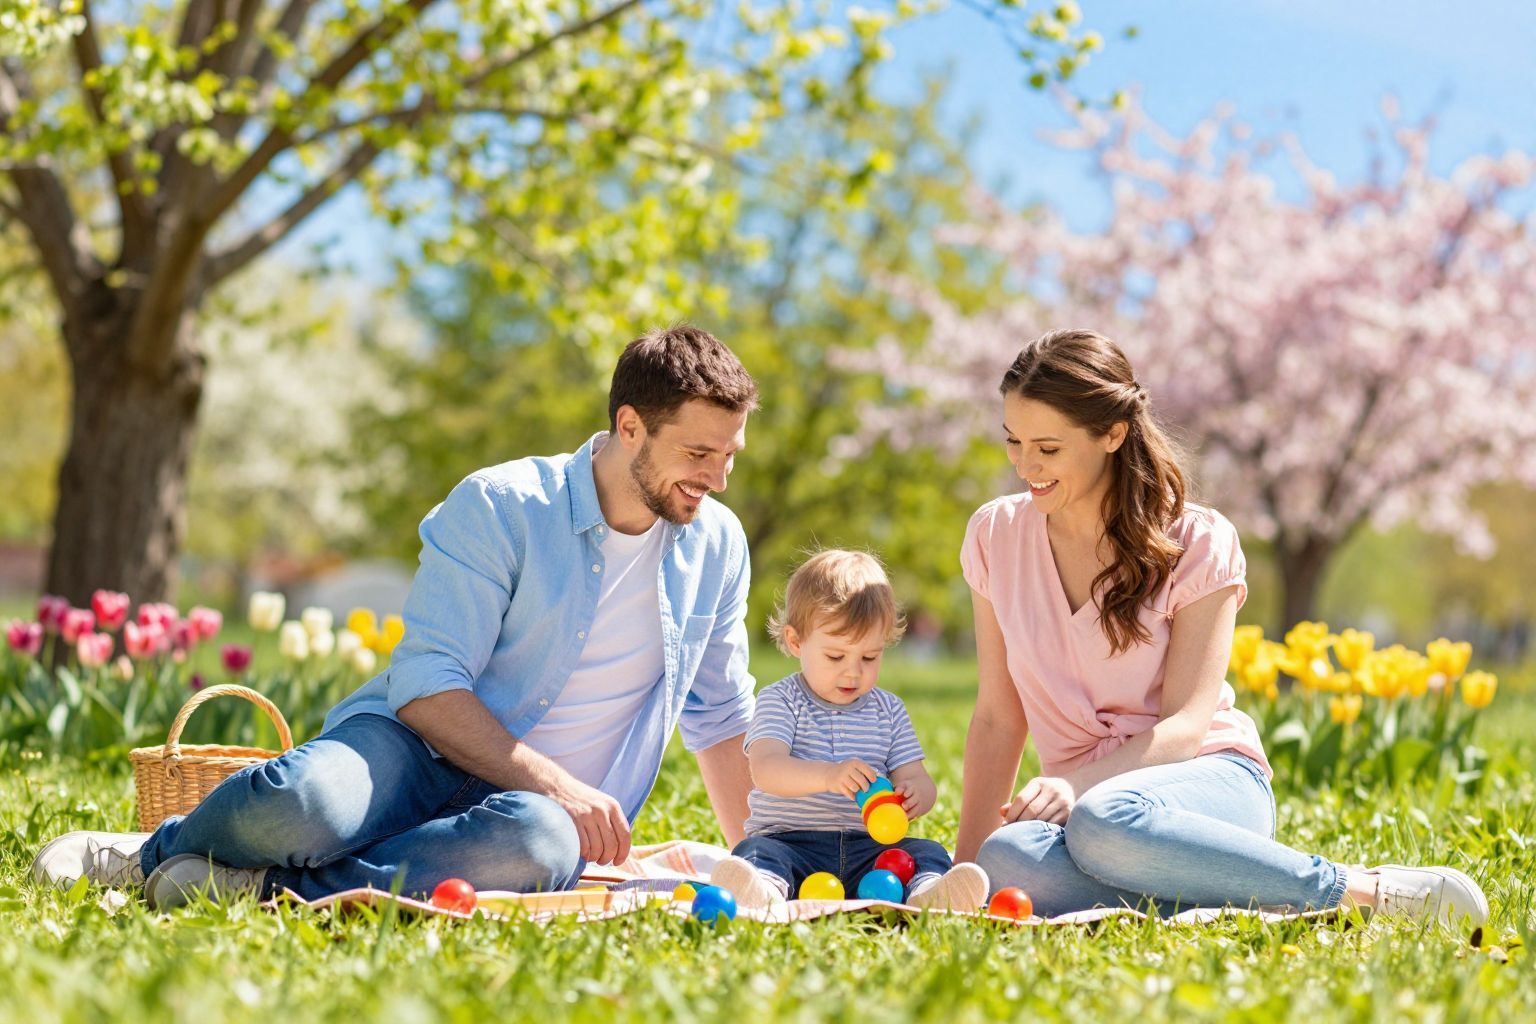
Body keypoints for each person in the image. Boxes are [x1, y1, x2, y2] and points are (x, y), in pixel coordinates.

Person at [32, 325, 762, 909]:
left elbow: (722, 718)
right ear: (629, 426)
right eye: (698, 452)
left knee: (538, 849)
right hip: (412, 750)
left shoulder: (718, 546)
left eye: (729, 455)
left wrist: (764, 865)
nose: (717, 478)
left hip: (535, 820)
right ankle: (152, 853)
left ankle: (265, 891)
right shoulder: (504, 505)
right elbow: (426, 687)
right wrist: (559, 783)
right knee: (301, 801)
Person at [955, 328, 1488, 925]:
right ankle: (1227, 888)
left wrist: (1076, 788)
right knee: (1006, 859)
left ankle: (1361, 890)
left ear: (1112, 433)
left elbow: (1184, 727)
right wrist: (964, 873)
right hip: (1085, 810)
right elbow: (999, 717)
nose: (1026, 466)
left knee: (1104, 821)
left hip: (1201, 782)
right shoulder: (995, 537)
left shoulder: (1197, 540)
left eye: (1047, 449)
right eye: (1013, 442)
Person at [709, 550, 988, 911]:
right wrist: (827, 776)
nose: (853, 673)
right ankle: (762, 891)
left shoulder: (888, 710)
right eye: (836, 657)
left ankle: (929, 895)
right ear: (796, 642)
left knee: (926, 852)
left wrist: (915, 795)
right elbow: (766, 770)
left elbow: (917, 777)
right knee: (755, 852)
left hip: (869, 849)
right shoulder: (781, 700)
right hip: (793, 844)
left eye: (869, 657)